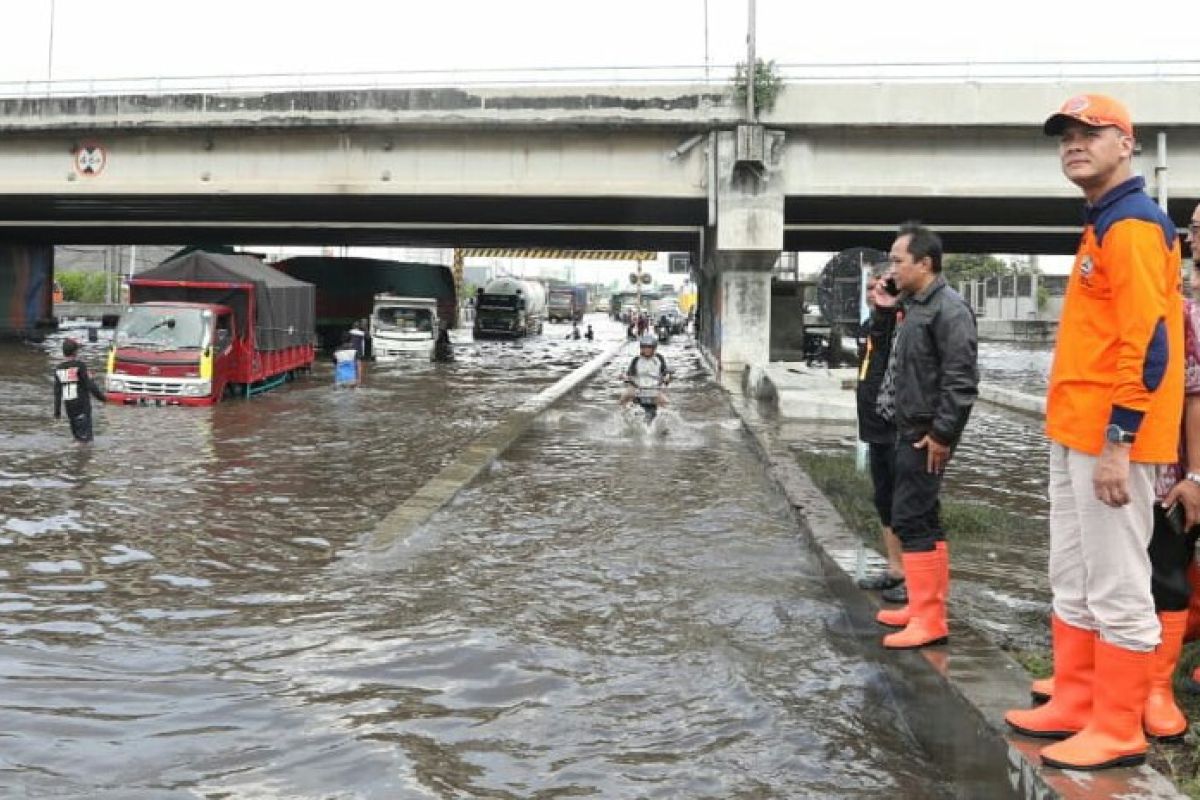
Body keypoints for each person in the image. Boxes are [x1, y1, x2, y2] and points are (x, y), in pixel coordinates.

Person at [1004, 94, 1184, 772]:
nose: (1075, 144)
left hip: (1111, 436)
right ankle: (1076, 700)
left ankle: (1117, 726)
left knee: (1118, 581)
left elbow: (1151, 344)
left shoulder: (1134, 224)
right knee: (1073, 575)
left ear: (1125, 145)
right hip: (1076, 430)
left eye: (1091, 133)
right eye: (1066, 136)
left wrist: (1119, 440)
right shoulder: (1102, 221)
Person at [873, 221, 978, 651]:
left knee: (913, 518)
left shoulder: (948, 310)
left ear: (925, 263)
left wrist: (942, 434)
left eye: (899, 260)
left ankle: (929, 620)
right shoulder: (915, 304)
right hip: (905, 429)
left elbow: (961, 379)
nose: (892, 267)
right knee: (918, 517)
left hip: (924, 434)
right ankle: (922, 606)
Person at [855, 270, 907, 603]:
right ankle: (895, 568)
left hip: (895, 428)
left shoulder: (899, 323)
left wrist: (889, 311)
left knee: (907, 505)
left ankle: (915, 579)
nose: (874, 293)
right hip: (873, 429)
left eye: (880, 288)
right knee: (884, 498)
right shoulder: (870, 326)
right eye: (869, 289)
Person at [54, 338, 106, 443]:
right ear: (75, 352)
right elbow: (90, 385)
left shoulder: (58, 369)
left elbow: (57, 392)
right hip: (82, 406)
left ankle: (76, 456)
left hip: (69, 407)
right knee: (86, 440)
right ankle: (82, 457)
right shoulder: (80, 366)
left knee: (77, 436)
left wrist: (57, 412)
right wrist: (103, 398)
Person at [620, 333, 672, 421]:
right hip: (638, 388)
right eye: (644, 347)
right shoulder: (636, 360)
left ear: (654, 348)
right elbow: (629, 373)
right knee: (623, 399)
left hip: (654, 388)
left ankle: (664, 425)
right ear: (641, 348)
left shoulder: (659, 359)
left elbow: (666, 371)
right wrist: (625, 377)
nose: (647, 350)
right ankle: (622, 420)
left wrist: (667, 377)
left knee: (666, 404)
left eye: (649, 347)